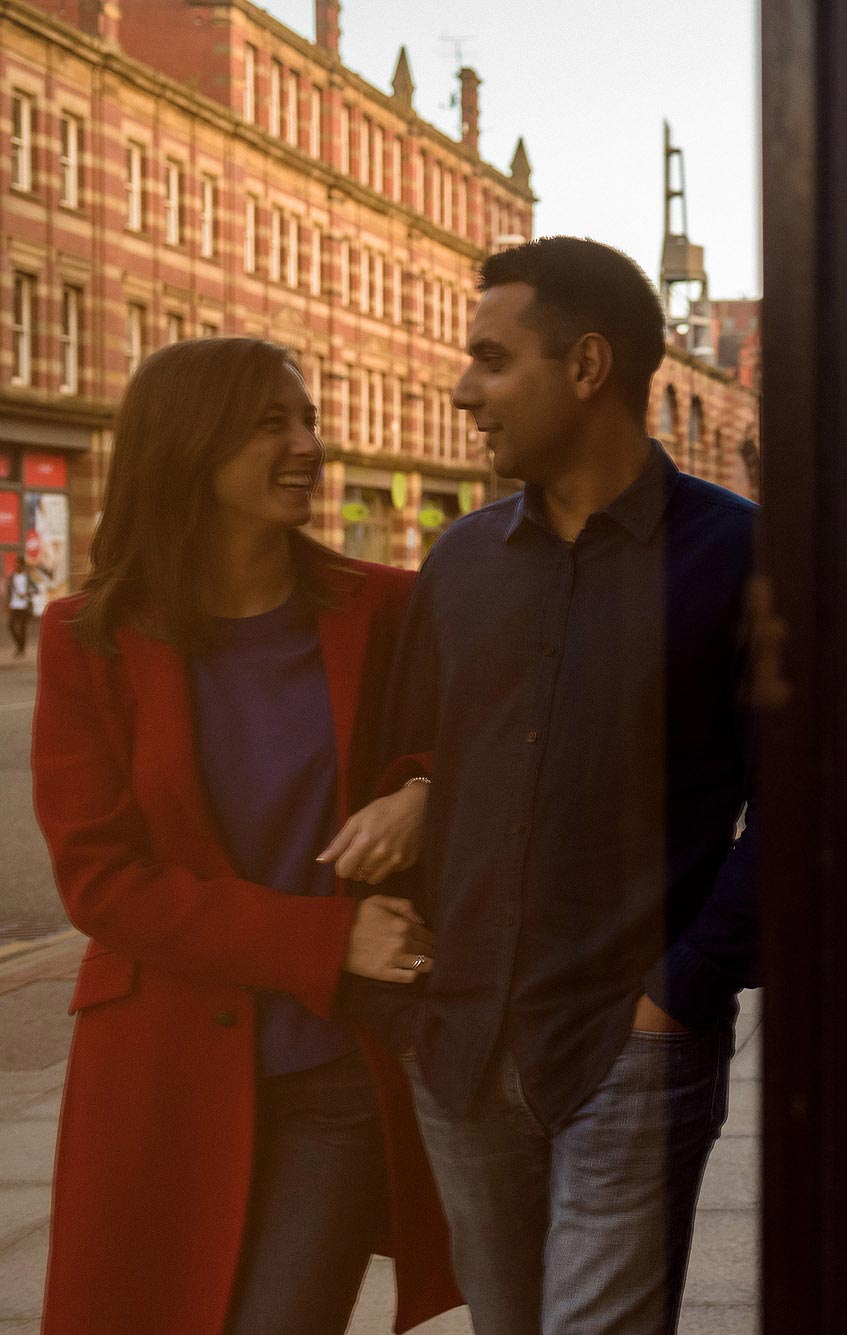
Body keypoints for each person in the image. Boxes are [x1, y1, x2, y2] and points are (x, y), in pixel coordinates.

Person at [353, 236, 757, 1335]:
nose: (461, 389)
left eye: (491, 357)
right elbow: (417, 756)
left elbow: (803, 811)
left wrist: (677, 994)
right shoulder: (461, 562)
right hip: (463, 1047)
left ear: (585, 367)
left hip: (626, 1045)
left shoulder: (739, 557)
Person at [30, 337, 458, 1335]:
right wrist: (326, 940)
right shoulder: (86, 640)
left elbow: (485, 746)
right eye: (272, 424)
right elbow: (102, 884)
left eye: (305, 420)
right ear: (191, 445)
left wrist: (432, 791)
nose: (306, 445)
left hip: (334, 1070)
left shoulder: (385, 608)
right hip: (161, 1069)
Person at [9, 561, 34, 656]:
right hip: (14, 605)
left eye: (19, 564)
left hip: (25, 606)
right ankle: (20, 645)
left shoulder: (27, 577)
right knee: (11, 625)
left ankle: (21, 650)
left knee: (23, 628)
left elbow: (35, 589)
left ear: (22, 566)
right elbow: (9, 591)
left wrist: (26, 594)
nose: (17, 566)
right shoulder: (12, 577)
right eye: (16, 564)